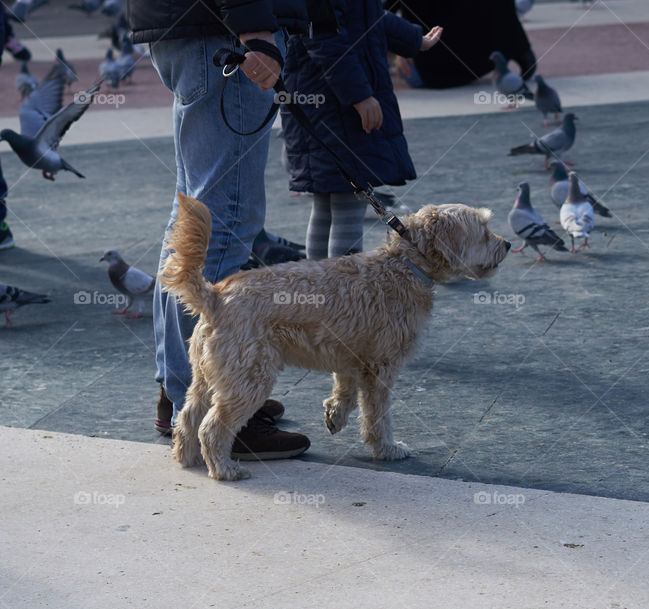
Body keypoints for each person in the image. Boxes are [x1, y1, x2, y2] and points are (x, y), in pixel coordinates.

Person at [127, 0, 317, 459]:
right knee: (223, 223)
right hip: (225, 35)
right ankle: (215, 410)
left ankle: (181, 396)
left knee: (195, 221)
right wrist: (256, 31)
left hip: (204, 32)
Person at [281, 0, 441, 260]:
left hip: (325, 102)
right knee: (348, 202)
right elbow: (326, 41)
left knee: (327, 203)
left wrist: (414, 39)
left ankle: (318, 286)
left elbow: (371, 16)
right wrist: (360, 96)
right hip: (336, 107)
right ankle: (342, 287)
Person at [386, 0, 536, 89]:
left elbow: (382, 14)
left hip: (440, 65)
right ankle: (521, 52)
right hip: (495, 47)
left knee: (409, 74)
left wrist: (402, 48)